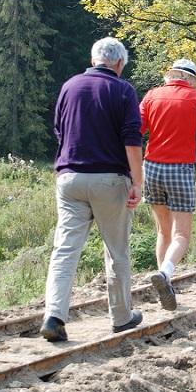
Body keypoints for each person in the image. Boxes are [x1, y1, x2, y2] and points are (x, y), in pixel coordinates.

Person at [40, 37, 144, 343]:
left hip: (69, 178)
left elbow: (59, 130)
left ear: (93, 58)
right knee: (116, 251)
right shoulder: (123, 90)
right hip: (109, 179)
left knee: (65, 250)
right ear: (120, 63)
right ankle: (122, 318)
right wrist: (137, 183)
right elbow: (132, 140)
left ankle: (54, 316)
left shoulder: (69, 86)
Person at [139, 59, 196, 311]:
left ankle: (166, 285)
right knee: (181, 235)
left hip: (151, 167)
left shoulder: (152, 95)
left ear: (170, 76)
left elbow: (134, 130)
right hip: (180, 169)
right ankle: (165, 274)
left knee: (163, 232)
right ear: (192, 80)